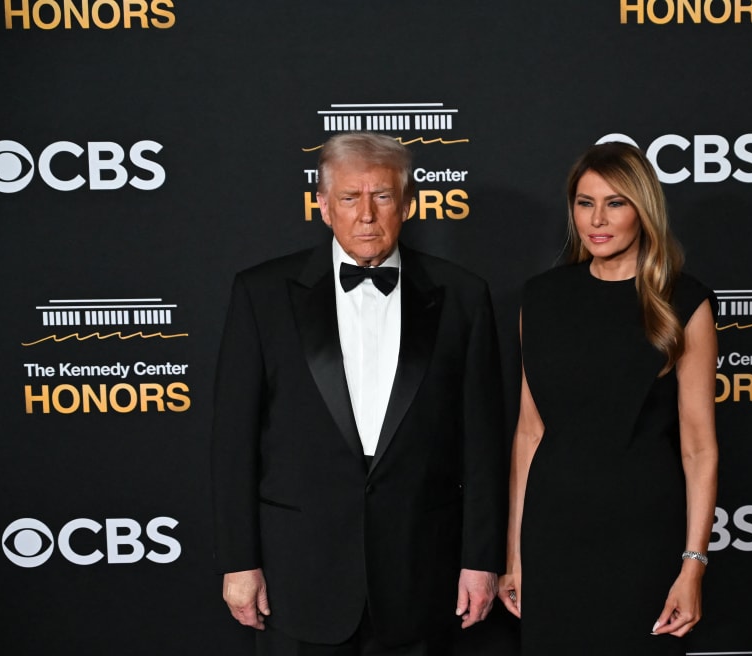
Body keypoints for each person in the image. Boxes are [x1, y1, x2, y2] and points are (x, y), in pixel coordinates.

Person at [211, 132, 506, 655]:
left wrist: (480, 560)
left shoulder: (462, 296)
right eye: (349, 198)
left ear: (407, 204)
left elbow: (482, 443)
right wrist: (240, 561)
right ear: (323, 206)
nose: (366, 215)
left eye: (383, 196)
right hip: (296, 579)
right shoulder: (261, 294)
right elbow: (233, 442)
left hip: (420, 573)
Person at [497, 141, 719, 655]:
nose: (597, 219)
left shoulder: (683, 302)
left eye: (615, 203)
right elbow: (529, 433)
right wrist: (516, 555)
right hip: (553, 532)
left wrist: (693, 567)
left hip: (643, 535)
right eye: (584, 202)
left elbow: (699, 447)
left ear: (643, 210)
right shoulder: (542, 297)